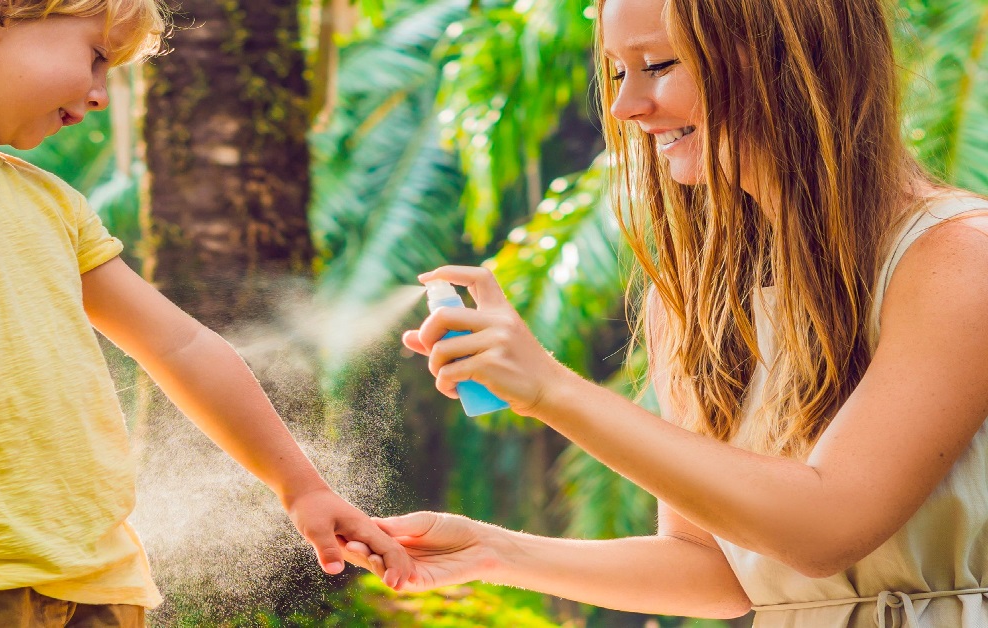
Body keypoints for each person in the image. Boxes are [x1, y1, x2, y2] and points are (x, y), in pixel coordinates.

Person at [344, 0, 988, 625]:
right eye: (618, 72)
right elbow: (714, 571)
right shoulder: (697, 303)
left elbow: (826, 530)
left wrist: (550, 391)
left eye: (658, 65)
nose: (626, 106)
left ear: (787, 56)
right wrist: (495, 552)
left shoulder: (957, 259)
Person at [0, 0, 412, 624]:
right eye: (94, 58)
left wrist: (303, 487)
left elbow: (182, 348)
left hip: (98, 591)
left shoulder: (51, 202)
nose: (99, 96)